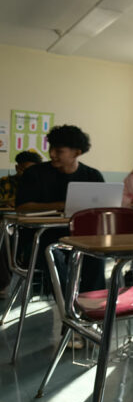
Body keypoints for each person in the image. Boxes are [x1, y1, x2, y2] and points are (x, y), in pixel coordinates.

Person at [15, 124, 106, 294]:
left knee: (96, 255)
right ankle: (70, 311)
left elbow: (103, 211)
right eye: (51, 148)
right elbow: (22, 208)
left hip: (79, 238)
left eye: (59, 151)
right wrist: (62, 205)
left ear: (76, 153)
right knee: (53, 254)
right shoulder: (35, 173)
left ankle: (93, 306)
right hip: (39, 240)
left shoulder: (92, 176)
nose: (51, 154)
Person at [0, 151, 43, 296]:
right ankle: (3, 283)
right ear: (18, 168)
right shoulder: (5, 182)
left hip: (34, 224)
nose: (28, 173)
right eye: (24, 169)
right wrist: (7, 203)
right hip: (8, 223)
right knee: (5, 236)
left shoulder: (41, 184)